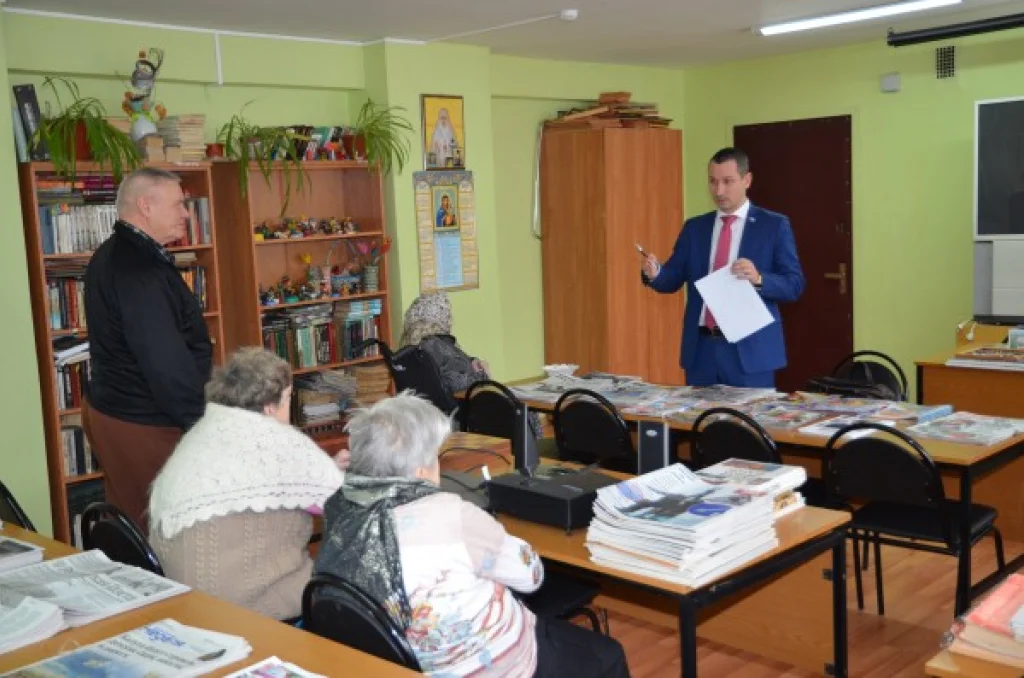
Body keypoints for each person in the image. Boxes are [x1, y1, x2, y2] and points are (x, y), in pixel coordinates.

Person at [314, 392, 630, 678]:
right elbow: (531, 577)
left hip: (394, 662)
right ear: (421, 470)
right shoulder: (452, 515)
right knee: (608, 654)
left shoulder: (339, 506)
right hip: (484, 666)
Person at [148, 347, 347, 620]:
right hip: (240, 608)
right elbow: (341, 503)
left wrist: (326, 467)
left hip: (182, 598)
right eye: (288, 399)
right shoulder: (279, 441)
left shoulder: (203, 432)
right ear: (269, 406)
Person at [83, 167, 213, 531]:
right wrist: (201, 424)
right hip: (144, 421)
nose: (186, 213)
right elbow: (165, 363)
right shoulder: (137, 270)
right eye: (178, 204)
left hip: (120, 410)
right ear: (145, 206)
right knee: (165, 531)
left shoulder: (116, 254)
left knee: (133, 523)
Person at [642, 147, 805, 388]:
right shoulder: (695, 228)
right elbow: (673, 277)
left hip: (750, 352)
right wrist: (655, 273)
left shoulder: (773, 225)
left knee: (749, 415)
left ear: (747, 180)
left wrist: (759, 278)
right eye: (713, 181)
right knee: (699, 414)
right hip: (702, 351)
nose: (718, 191)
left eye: (727, 182)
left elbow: (794, 284)